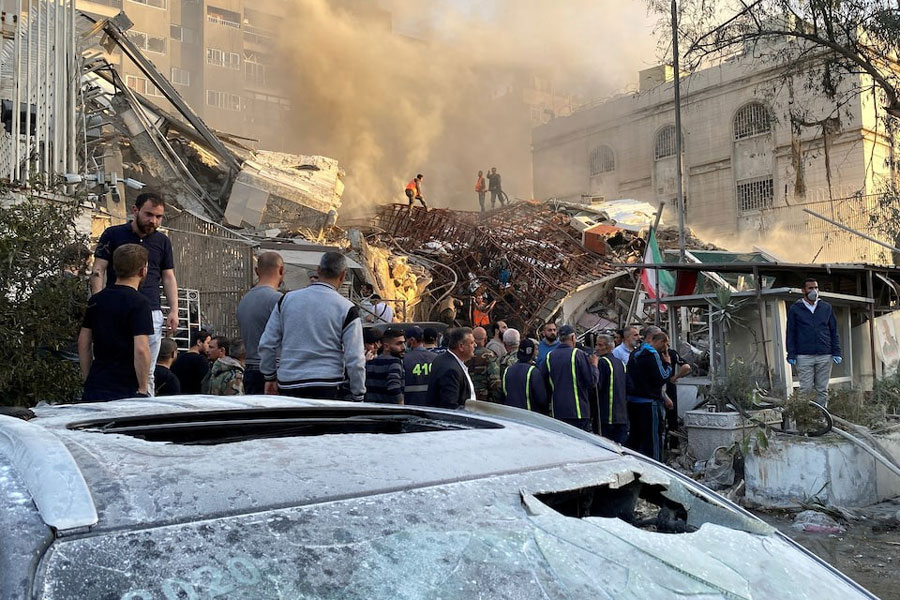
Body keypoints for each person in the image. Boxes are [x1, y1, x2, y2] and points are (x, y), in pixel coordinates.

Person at [91, 191, 178, 396]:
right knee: (113, 362)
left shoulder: (162, 242)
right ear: (135, 210)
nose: (153, 221)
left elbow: (168, 276)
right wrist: (97, 301)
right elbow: (98, 270)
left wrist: (174, 310)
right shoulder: (113, 234)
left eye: (158, 217)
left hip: (150, 310)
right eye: (149, 215)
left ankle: (143, 409)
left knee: (147, 371)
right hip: (117, 308)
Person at [259, 251, 366, 400]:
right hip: (327, 385)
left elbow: (267, 343)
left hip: (289, 383)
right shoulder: (347, 308)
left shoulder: (287, 300)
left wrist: (269, 376)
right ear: (343, 275)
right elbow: (355, 358)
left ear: (318, 270)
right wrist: (358, 393)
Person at [78, 244, 154, 401]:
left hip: (97, 383)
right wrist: (142, 388)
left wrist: (87, 378)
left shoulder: (96, 300)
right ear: (143, 271)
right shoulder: (140, 303)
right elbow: (141, 349)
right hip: (126, 388)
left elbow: (83, 342)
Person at [786, 278, 842, 406]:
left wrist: (836, 351)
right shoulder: (796, 309)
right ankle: (802, 417)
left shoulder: (826, 307)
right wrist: (791, 353)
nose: (814, 291)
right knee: (805, 389)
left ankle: (822, 418)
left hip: (824, 354)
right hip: (804, 356)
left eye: (816, 288)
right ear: (803, 290)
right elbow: (791, 332)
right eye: (810, 288)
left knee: (822, 389)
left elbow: (834, 331)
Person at [237, 252, 284, 395]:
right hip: (272, 372)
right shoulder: (278, 300)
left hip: (250, 369)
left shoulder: (244, 300)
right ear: (281, 270)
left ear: (256, 271)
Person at [539, 324, 599, 431]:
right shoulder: (578, 354)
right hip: (578, 412)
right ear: (572, 337)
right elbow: (591, 381)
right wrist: (594, 365)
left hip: (557, 411)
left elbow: (544, 384)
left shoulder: (549, 356)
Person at [625, 331, 673, 461]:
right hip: (649, 402)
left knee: (635, 436)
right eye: (666, 344)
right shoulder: (652, 354)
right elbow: (663, 376)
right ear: (661, 342)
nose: (666, 347)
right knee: (652, 439)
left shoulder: (634, 353)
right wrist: (668, 364)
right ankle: (656, 466)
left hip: (632, 401)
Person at [424, 327, 477, 409]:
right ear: (461, 347)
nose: (475, 345)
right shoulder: (451, 370)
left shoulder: (442, 359)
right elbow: (450, 406)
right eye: (472, 343)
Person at [593, 334, 628, 443]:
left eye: (600, 345)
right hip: (621, 414)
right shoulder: (620, 363)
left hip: (607, 414)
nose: (597, 348)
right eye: (596, 345)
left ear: (608, 347)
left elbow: (596, 386)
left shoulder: (603, 362)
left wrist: (593, 367)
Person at [500, 338, 548, 413]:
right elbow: (541, 399)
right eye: (536, 350)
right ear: (532, 353)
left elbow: (502, 395)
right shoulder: (534, 372)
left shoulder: (507, 370)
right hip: (528, 417)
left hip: (510, 416)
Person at [365, 327, 406, 404]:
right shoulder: (395, 362)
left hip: (371, 410)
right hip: (389, 411)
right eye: (399, 343)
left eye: (404, 343)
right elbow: (394, 387)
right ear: (386, 346)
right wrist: (401, 405)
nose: (404, 347)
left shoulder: (369, 362)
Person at [402, 326, 436, 406]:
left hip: (410, 404)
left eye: (405, 341)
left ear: (412, 340)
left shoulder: (405, 359)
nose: (404, 345)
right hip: (432, 406)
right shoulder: (435, 358)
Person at [170, 329, 211, 394]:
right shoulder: (201, 360)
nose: (209, 347)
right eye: (208, 343)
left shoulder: (178, 358)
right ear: (199, 342)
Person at [467, 326, 501, 402]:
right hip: (484, 399)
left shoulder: (465, 354)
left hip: (467, 397)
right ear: (485, 339)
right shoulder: (489, 355)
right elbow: (495, 381)